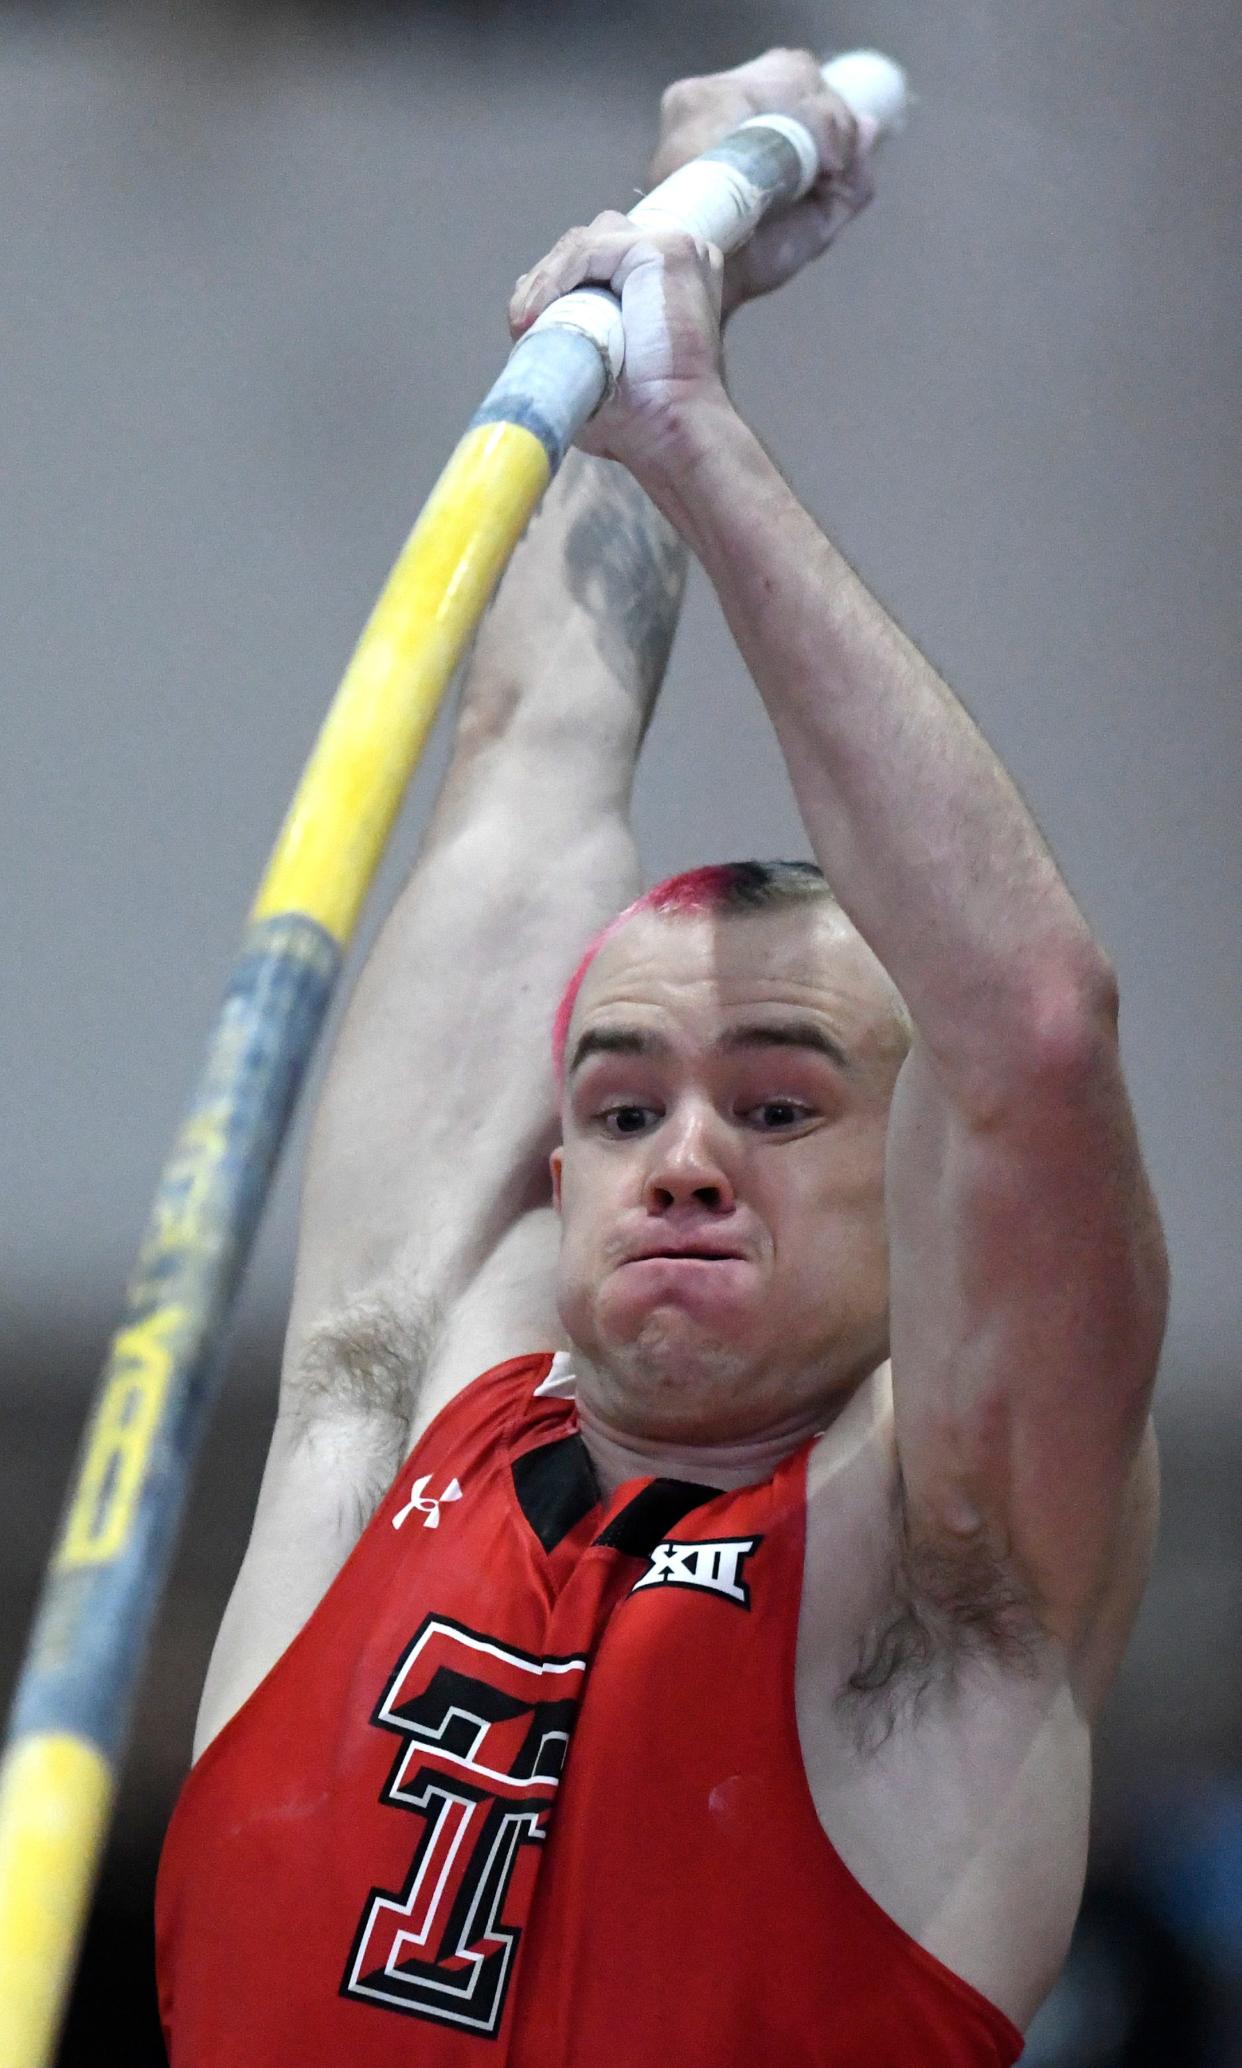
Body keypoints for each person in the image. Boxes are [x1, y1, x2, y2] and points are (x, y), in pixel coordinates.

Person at [154, 48, 1168, 2067]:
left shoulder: (943, 1581)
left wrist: (700, 428)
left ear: (912, 1181)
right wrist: (656, 273)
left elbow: (1033, 1036)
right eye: (620, 1103)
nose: (679, 1155)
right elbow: (530, 757)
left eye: (778, 1101)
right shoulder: (395, 1399)